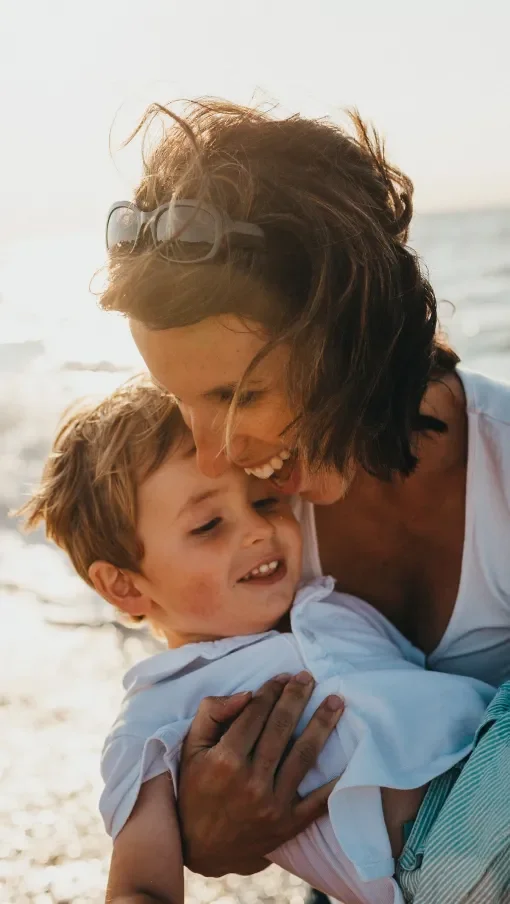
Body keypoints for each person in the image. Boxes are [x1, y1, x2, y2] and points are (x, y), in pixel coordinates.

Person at [97, 100, 510, 895]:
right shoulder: (248, 523)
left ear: (349, 339)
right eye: (181, 400)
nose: (216, 451)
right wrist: (214, 835)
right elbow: (221, 728)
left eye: (239, 395)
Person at [17, 377, 496, 904]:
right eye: (208, 525)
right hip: (441, 846)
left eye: (266, 501)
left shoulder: (330, 603)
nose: (257, 530)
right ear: (125, 585)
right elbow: (138, 889)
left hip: (486, 764)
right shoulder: (159, 712)